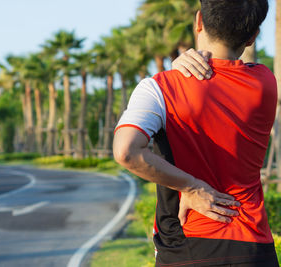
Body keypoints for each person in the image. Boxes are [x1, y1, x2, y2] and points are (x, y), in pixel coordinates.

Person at [113, 0, 279, 266]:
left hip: (187, 246)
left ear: (199, 21)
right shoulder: (265, 82)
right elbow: (228, 73)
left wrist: (191, 186)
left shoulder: (160, 88)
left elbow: (127, 151)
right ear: (252, 38)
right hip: (255, 249)